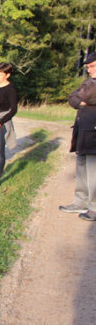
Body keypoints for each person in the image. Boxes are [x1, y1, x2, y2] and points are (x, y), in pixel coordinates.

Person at [59, 52, 96, 221]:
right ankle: (80, 201)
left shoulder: (92, 85)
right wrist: (80, 101)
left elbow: (84, 96)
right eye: (88, 67)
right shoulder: (89, 82)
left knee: (93, 172)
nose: (89, 70)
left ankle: (94, 207)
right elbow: (72, 98)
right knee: (81, 169)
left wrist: (80, 99)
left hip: (94, 134)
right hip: (83, 132)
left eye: (92, 66)